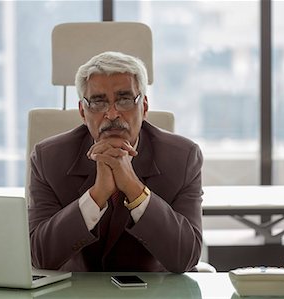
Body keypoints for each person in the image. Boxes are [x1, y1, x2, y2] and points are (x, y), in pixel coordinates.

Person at [28, 51, 203, 273]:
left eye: (124, 100)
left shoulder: (183, 157)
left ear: (145, 107)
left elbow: (186, 257)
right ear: (83, 111)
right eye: (98, 102)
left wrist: (133, 188)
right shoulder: (49, 158)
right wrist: (97, 195)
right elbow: (41, 256)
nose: (112, 114)